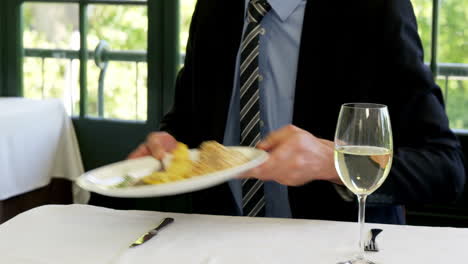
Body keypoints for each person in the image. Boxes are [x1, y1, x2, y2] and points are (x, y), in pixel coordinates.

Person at [129, 0, 466, 224]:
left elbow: (444, 167)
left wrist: (334, 162)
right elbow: (188, 122)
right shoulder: (215, 7)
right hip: (218, 244)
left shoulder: (375, 9)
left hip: (337, 250)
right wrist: (170, 143)